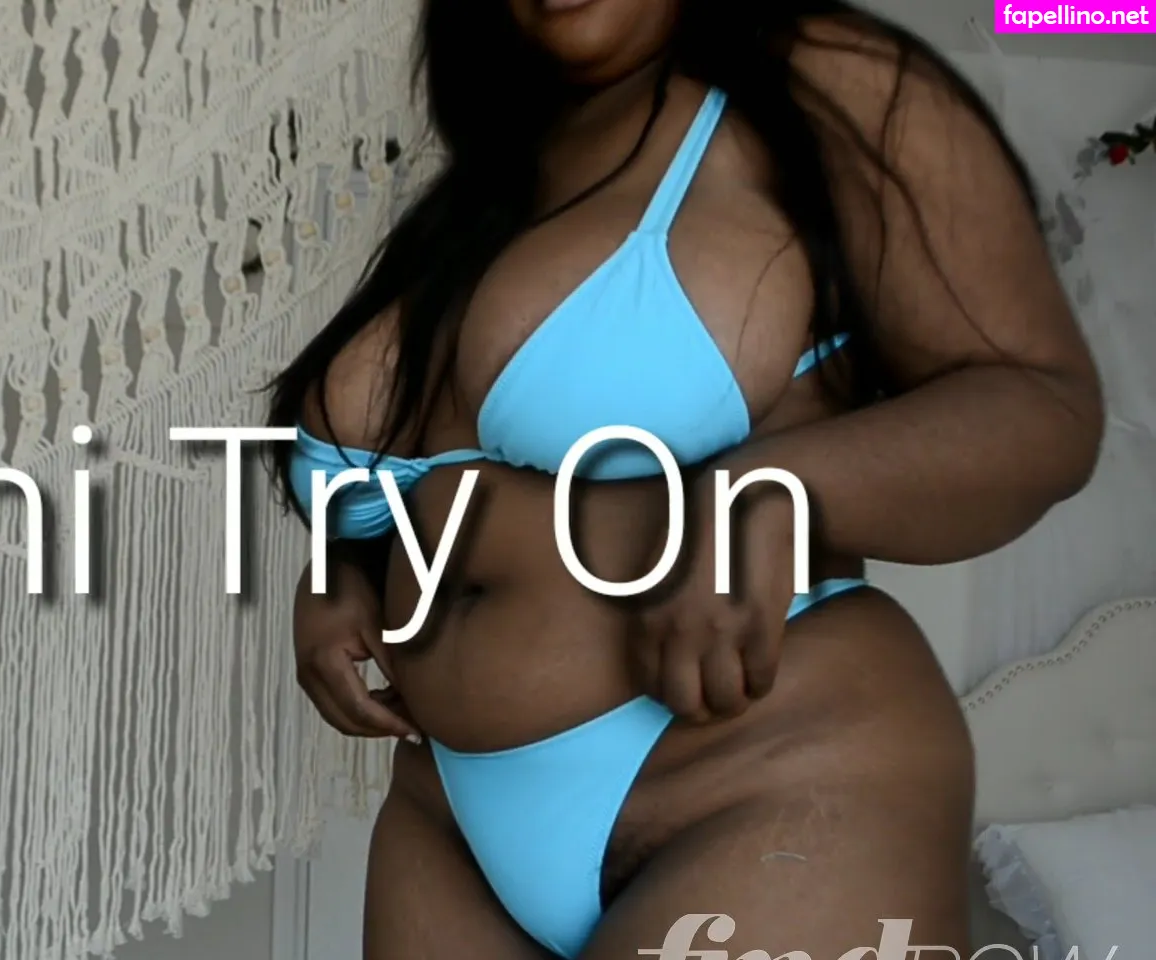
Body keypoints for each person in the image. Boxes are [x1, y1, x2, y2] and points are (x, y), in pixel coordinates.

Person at [263, 1, 1102, 957]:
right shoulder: (500, 164)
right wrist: (345, 573)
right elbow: (443, 475)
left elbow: (1040, 407)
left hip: (763, 771)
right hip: (449, 815)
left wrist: (775, 489)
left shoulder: (822, 76)